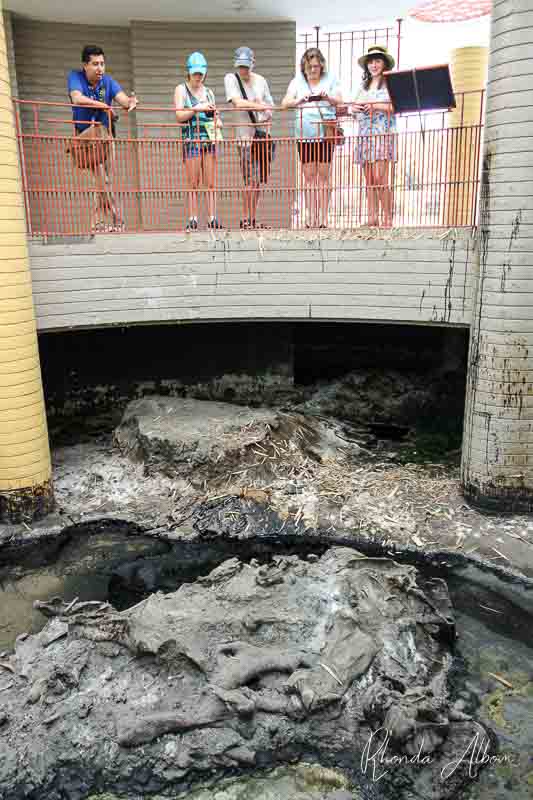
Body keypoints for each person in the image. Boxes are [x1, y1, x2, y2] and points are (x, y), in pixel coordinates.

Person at [67, 45, 137, 232]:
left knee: (106, 180)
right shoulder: (75, 77)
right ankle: (110, 219)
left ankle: (106, 221)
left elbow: (122, 100)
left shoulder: (108, 81)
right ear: (85, 65)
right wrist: (103, 105)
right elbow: (77, 98)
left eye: (102, 64)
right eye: (95, 64)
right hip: (86, 137)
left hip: (105, 136)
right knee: (100, 180)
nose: (100, 68)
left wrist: (131, 102)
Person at [281, 48, 343, 228]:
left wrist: (327, 96)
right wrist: (299, 100)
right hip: (304, 133)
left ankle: (323, 218)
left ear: (322, 65)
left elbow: (340, 100)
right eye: (309, 67)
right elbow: (285, 103)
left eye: (316, 66)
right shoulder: (297, 81)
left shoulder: (331, 78)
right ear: (304, 67)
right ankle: (311, 217)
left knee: (324, 175)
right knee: (308, 175)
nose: (313, 70)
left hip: (325, 131)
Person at [224, 46, 274, 229]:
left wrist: (265, 110)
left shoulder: (261, 80)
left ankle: (253, 218)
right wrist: (258, 105)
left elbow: (270, 106)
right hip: (244, 137)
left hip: (261, 135)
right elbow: (237, 102)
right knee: (249, 179)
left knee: (258, 180)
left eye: (247, 66)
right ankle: (245, 218)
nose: (243, 70)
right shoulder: (231, 79)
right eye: (241, 67)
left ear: (253, 63)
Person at [174, 52, 223, 231]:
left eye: (200, 74)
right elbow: (179, 115)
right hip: (191, 140)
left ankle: (212, 217)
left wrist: (218, 120)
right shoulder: (181, 89)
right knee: (193, 182)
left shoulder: (209, 92)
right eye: (195, 73)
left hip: (209, 140)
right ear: (188, 72)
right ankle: (193, 218)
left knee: (210, 182)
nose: (197, 77)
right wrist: (196, 108)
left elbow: (214, 115)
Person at [352, 45, 397, 228]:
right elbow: (354, 108)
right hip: (365, 135)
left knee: (381, 179)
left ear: (384, 63)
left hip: (382, 134)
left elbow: (396, 107)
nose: (374, 65)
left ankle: (387, 218)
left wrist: (376, 106)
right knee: (369, 180)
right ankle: (372, 217)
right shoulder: (362, 87)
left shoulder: (391, 84)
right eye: (370, 61)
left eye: (377, 61)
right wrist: (354, 109)